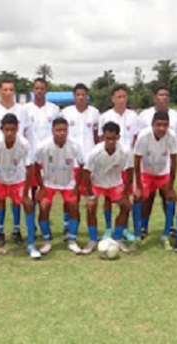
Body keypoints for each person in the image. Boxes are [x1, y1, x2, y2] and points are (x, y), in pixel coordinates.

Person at [0, 114, 39, 260]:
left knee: (28, 206)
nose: (9, 133)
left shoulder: (24, 144)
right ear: (1, 129)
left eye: (12, 129)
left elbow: (29, 168)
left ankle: (31, 245)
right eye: (6, 129)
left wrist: (26, 193)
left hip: (18, 180)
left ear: (17, 129)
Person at [138, 85, 177, 239]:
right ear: (155, 97)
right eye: (161, 95)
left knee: (168, 196)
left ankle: (170, 226)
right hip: (147, 166)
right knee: (147, 198)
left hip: (164, 166)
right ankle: (143, 226)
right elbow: (138, 139)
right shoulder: (144, 115)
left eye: (167, 95)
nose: (164, 98)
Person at [0, 79, 32, 246]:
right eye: (5, 89)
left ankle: (16, 229)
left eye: (11, 89)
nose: (8, 92)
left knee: (16, 198)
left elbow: (25, 133)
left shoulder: (22, 110)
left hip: (17, 158)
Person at [34, 117, 85, 254]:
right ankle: (46, 240)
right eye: (58, 130)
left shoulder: (75, 145)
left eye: (64, 130)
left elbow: (81, 166)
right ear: (52, 131)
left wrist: (77, 186)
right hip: (48, 183)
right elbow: (35, 166)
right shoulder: (43, 146)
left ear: (68, 131)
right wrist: (41, 186)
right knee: (44, 207)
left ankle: (72, 240)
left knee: (74, 206)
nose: (61, 133)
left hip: (68, 182)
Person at [83, 122, 134, 254]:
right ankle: (93, 240)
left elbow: (129, 172)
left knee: (126, 206)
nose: (110, 141)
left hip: (115, 183)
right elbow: (86, 173)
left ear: (118, 137)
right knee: (90, 206)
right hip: (97, 182)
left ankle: (117, 239)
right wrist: (90, 194)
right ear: (103, 137)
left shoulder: (125, 151)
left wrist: (125, 193)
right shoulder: (95, 152)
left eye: (113, 138)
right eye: (107, 138)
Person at [97, 84, 140, 240]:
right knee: (108, 196)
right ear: (113, 99)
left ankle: (124, 228)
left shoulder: (134, 116)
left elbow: (136, 137)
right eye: (119, 97)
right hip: (110, 161)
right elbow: (101, 139)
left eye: (124, 97)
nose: (122, 100)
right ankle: (108, 228)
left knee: (125, 196)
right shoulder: (105, 116)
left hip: (126, 161)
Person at [133, 111, 177, 250]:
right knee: (138, 198)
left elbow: (175, 160)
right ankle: (139, 233)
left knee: (170, 197)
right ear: (152, 124)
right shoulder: (143, 136)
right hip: (145, 172)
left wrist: (171, 185)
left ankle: (166, 234)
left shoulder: (172, 136)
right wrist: (139, 187)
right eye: (158, 125)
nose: (161, 128)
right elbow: (136, 160)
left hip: (162, 173)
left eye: (165, 125)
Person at [59, 83, 99, 238]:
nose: (81, 97)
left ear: (87, 96)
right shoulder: (66, 113)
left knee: (90, 195)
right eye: (78, 94)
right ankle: (66, 225)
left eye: (83, 94)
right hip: (71, 162)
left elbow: (96, 137)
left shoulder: (94, 113)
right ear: (74, 96)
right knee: (70, 196)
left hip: (89, 162)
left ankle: (91, 230)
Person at [25, 78, 61, 229]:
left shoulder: (54, 109)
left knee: (46, 193)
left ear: (46, 90)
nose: (39, 91)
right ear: (33, 90)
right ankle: (31, 223)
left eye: (42, 88)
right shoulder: (25, 109)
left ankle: (44, 221)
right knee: (31, 192)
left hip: (49, 158)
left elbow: (60, 131)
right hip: (31, 157)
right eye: (36, 88)